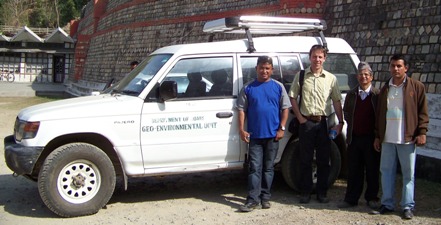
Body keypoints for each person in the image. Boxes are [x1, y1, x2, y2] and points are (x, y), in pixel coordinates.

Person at [372, 54, 429, 219]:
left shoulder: (416, 87)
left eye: (398, 66)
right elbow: (379, 115)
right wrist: (377, 136)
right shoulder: (385, 89)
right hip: (388, 138)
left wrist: (422, 132)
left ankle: (407, 206)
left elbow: (423, 112)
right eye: (392, 66)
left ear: (406, 68)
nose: (395, 69)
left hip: (407, 138)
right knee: (386, 171)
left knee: (408, 174)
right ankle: (387, 203)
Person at [288, 44, 344, 204]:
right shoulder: (301, 76)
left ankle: (322, 192)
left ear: (324, 58)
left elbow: (336, 101)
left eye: (320, 57)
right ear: (309, 57)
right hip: (306, 123)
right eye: (314, 56)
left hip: (323, 123)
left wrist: (340, 122)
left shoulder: (331, 79)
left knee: (323, 160)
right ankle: (305, 192)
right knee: (305, 159)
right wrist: (300, 118)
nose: (317, 59)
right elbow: (292, 97)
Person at [236, 56, 291, 212]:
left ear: (272, 69)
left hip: (273, 136)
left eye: (267, 68)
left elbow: (285, 108)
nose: (264, 71)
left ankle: (265, 197)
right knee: (254, 168)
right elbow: (241, 109)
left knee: (269, 168)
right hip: (255, 136)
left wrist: (281, 128)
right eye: (261, 68)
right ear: (256, 69)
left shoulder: (278, 87)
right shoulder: (248, 88)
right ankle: (252, 200)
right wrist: (241, 129)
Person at [338, 62, 380, 209]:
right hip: (354, 138)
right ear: (357, 77)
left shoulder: (377, 95)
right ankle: (351, 198)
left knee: (372, 169)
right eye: (361, 74)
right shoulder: (351, 94)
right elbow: (347, 112)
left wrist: (377, 136)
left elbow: (380, 116)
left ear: (371, 77)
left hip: (371, 138)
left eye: (366, 75)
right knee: (354, 170)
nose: (363, 77)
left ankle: (372, 197)